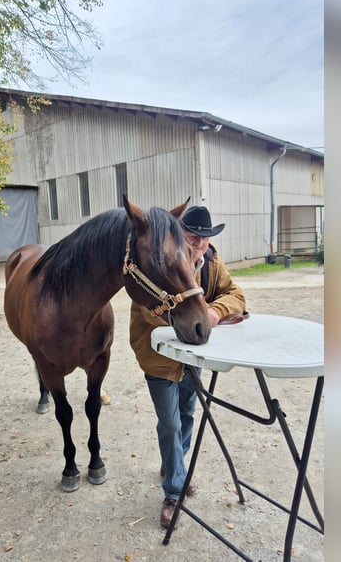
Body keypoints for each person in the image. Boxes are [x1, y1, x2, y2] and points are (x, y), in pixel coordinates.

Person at [128, 205, 247, 529]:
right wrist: (183, 308)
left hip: (194, 358)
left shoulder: (210, 263)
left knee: (188, 415)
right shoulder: (161, 261)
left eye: (204, 240)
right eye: (192, 238)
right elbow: (147, 308)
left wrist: (213, 312)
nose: (198, 246)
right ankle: (173, 491)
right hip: (160, 361)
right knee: (169, 424)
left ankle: (174, 467)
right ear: (180, 235)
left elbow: (236, 294)